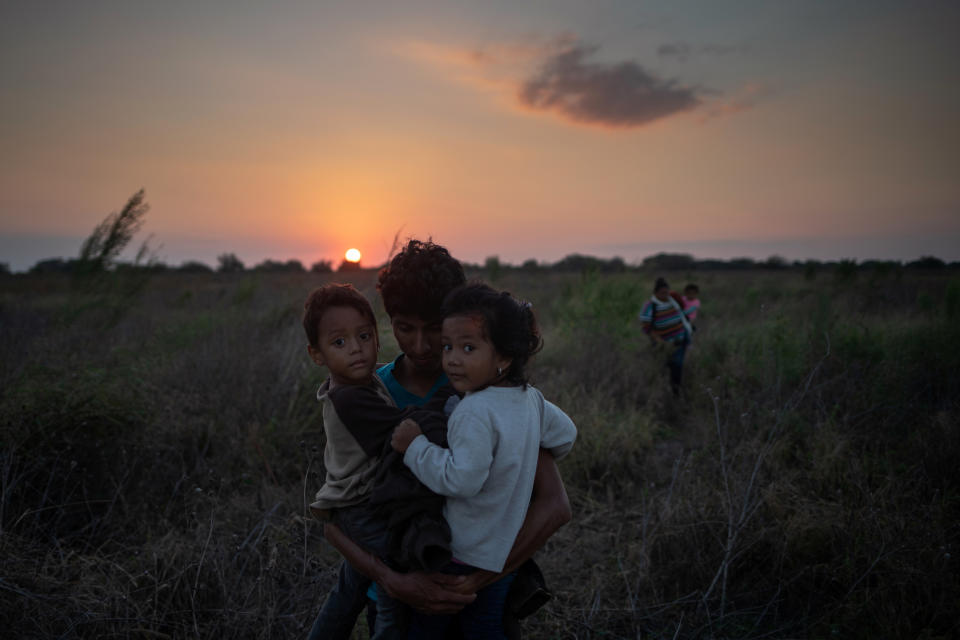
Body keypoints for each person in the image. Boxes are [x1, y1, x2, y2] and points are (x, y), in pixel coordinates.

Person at [308, 240, 573, 638]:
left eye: (435, 330)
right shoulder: (367, 393)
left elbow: (555, 506)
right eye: (404, 328)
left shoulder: (492, 392)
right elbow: (335, 516)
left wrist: (476, 581)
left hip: (478, 599)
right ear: (386, 322)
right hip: (396, 603)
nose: (420, 346)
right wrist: (394, 581)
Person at [391, 282, 577, 637]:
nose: (453, 359)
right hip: (502, 553)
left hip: (459, 554)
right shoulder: (530, 400)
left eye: (468, 348)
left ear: (504, 357)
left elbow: (462, 480)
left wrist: (414, 447)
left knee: (427, 630)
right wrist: (520, 451)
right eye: (448, 347)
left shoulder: (474, 410)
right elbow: (566, 435)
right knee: (486, 626)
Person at [302, 283, 454, 638]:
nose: (356, 349)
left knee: (349, 588)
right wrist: (449, 392)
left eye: (364, 336)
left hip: (353, 501)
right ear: (317, 354)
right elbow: (407, 429)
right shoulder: (350, 399)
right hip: (361, 505)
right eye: (339, 342)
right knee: (395, 582)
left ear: (376, 337)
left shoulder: (367, 382)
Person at [639, 277, 694, 395]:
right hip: (664, 343)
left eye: (667, 292)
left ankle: (676, 391)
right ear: (655, 293)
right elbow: (646, 327)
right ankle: (664, 389)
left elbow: (683, 308)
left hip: (680, 339)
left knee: (677, 365)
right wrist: (658, 340)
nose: (665, 295)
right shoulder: (650, 306)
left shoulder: (673, 300)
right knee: (664, 365)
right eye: (662, 293)